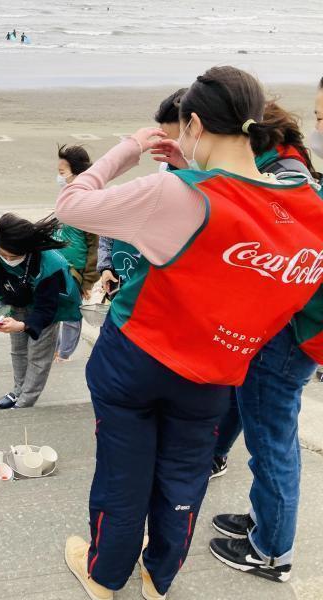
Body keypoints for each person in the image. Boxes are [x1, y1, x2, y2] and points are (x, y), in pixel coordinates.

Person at [55, 66, 323, 600]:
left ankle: (105, 576)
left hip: (138, 355)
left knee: (124, 470)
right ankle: (160, 577)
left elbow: (71, 204)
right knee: (184, 475)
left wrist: (130, 149)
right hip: (215, 368)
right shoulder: (306, 203)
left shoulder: (175, 193)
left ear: (195, 124)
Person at [206, 101, 323, 583]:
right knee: (271, 438)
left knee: (272, 444)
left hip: (291, 335)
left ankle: (271, 551)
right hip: (294, 331)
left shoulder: (285, 179)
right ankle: (263, 522)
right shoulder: (288, 167)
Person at [97, 88, 186, 297]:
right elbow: (113, 217)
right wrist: (107, 266)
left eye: (175, 141)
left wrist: (129, 148)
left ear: (197, 129)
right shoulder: (167, 170)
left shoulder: (212, 184)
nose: (167, 149)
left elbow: (72, 205)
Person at [0, 214, 82, 410]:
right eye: (4, 254)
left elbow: (46, 310)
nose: (8, 259)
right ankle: (18, 391)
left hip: (49, 305)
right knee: (18, 349)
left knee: (38, 355)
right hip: (19, 298)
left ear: (27, 250)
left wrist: (22, 325)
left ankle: (26, 401)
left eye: (14, 256)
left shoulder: (50, 265)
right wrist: (3, 303)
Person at [54, 145, 99, 362]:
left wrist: (88, 281)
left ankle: (64, 353)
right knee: (53, 309)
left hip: (75, 271)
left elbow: (95, 244)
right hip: (57, 264)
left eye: (62, 172)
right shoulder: (66, 195)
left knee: (71, 312)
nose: (59, 177)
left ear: (77, 172)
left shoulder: (88, 200)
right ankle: (54, 348)